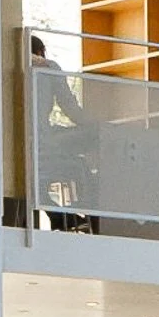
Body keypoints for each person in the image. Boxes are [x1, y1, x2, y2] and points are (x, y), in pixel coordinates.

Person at [30, 34, 95, 231]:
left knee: (36, 178)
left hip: (19, 150)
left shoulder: (4, 67)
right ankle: (92, 212)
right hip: (42, 143)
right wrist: (95, 125)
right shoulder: (48, 67)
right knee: (80, 163)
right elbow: (70, 108)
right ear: (40, 51)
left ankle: (59, 216)